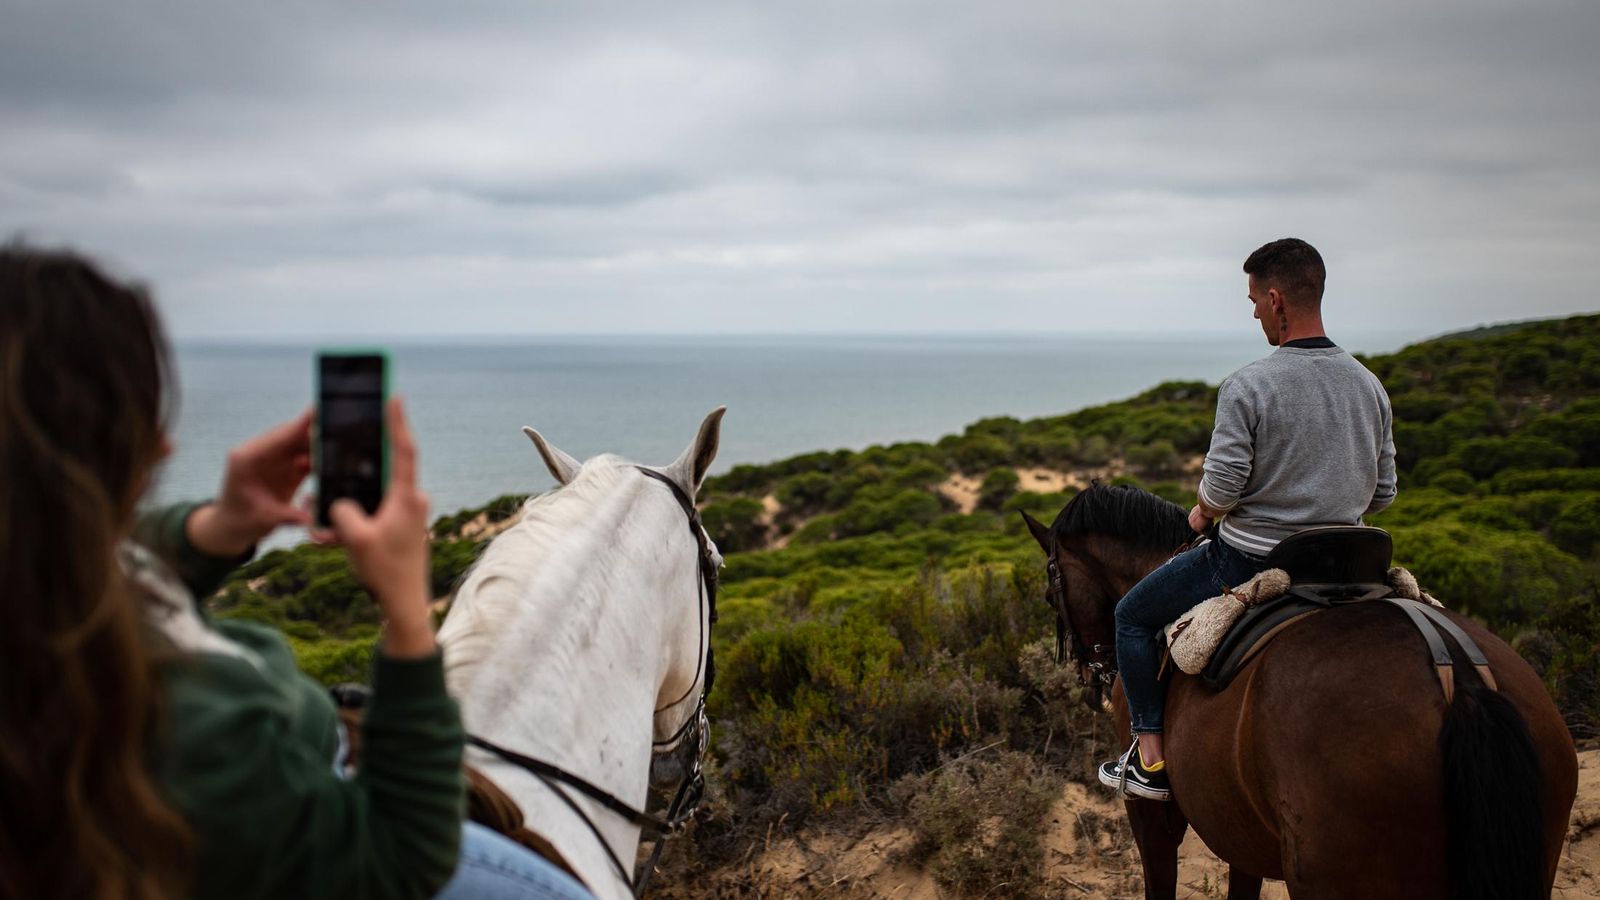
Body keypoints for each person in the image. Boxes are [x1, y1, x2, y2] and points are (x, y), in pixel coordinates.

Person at [0, 245, 592, 899]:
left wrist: (216, 527)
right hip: (329, 804)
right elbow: (402, 856)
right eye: (143, 417)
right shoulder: (203, 736)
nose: (166, 443)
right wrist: (404, 610)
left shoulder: (34, 581)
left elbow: (88, 558)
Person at [1096, 238, 1397, 801]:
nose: (1254, 311)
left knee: (1131, 617)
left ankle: (1150, 759)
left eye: (1255, 300)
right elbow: (1382, 495)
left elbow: (1225, 488)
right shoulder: (1369, 385)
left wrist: (1202, 510)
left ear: (1277, 299)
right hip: (1351, 559)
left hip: (1253, 559)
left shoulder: (1248, 385)